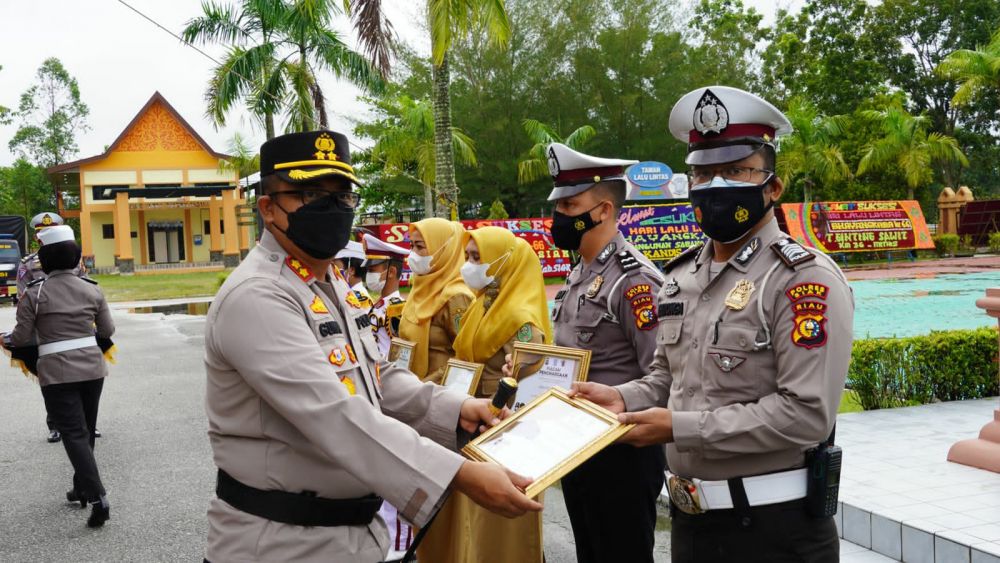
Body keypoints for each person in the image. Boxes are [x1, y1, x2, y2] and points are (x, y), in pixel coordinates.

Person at [203, 130, 541, 563]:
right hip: (281, 543)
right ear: (269, 208)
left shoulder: (329, 282)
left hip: (354, 536)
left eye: (343, 195)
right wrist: (459, 473)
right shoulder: (257, 296)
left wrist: (454, 409)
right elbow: (336, 414)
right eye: (309, 194)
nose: (332, 207)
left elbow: (372, 376)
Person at [572, 86, 854, 562]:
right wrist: (622, 397)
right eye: (703, 172)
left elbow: (806, 415)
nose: (716, 186)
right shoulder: (682, 277)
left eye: (735, 171)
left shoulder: (801, 278)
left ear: (773, 187)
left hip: (774, 531)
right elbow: (667, 376)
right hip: (693, 526)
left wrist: (679, 428)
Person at [518, 142, 667, 563]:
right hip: (577, 446)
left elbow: (662, 376)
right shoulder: (578, 274)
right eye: (558, 204)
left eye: (569, 204)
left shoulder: (634, 281)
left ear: (602, 210)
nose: (558, 216)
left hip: (622, 454)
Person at [418, 226, 552, 563]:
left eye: (478, 258)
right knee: (465, 515)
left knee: (493, 524)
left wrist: (517, 368)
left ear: (503, 262)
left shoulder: (521, 316)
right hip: (470, 418)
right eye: (468, 257)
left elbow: (533, 365)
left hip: (503, 429)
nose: (469, 265)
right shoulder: (482, 306)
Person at [7, 224, 114, 528]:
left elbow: (23, 337)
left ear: (44, 260)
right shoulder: (92, 288)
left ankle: (97, 496)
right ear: (75, 257)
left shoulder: (34, 294)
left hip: (56, 372)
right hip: (93, 370)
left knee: (74, 434)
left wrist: (9, 338)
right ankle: (81, 488)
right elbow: (107, 331)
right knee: (86, 430)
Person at [16, 212, 99, 443]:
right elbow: (23, 296)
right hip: (44, 326)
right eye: (42, 230)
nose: (46, 232)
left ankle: (85, 422)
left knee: (84, 372)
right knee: (50, 376)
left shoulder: (74, 259)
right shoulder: (28, 263)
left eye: (51, 228)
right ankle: (55, 424)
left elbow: (84, 286)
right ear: (37, 236)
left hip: (76, 325)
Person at [397, 218, 473, 383]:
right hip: (410, 388)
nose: (412, 254)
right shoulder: (420, 287)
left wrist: (423, 388)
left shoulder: (456, 297)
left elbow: (466, 358)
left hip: (439, 394)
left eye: (420, 246)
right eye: (411, 246)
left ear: (443, 250)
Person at [361, 233, 408, 358]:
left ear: (391, 272)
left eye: (372, 270)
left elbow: (400, 354)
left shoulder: (397, 308)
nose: (368, 275)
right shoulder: (378, 304)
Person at [335, 240, 372, 309]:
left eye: (335, 266)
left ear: (351, 270)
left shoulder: (359, 299)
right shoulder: (347, 293)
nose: (332, 270)